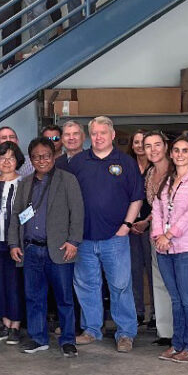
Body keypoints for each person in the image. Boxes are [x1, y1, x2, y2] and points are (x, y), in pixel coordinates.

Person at [66, 116, 143, 352]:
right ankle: (91, 330)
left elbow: (136, 197)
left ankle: (126, 333)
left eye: (103, 133)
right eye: (94, 133)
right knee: (87, 285)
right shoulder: (77, 162)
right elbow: (66, 198)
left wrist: (127, 225)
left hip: (115, 237)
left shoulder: (126, 162)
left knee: (120, 286)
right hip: (85, 238)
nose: (98, 137)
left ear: (112, 135)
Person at [8, 137, 84, 355]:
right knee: (33, 297)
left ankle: (68, 340)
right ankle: (38, 338)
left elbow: (77, 213)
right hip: (31, 250)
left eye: (46, 155)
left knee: (64, 298)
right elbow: (16, 216)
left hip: (60, 249)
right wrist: (14, 243)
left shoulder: (67, 180)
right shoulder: (25, 183)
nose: (41, 160)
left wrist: (74, 241)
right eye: (36, 157)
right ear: (31, 160)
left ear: (54, 156)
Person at [150, 135, 188, 363]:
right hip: (165, 250)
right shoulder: (167, 180)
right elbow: (157, 208)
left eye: (185, 150)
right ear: (171, 154)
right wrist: (158, 236)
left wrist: (169, 234)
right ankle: (177, 344)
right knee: (176, 300)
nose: (180, 154)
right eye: (176, 150)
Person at [0, 140, 25, 344]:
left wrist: (18, 240)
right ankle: (4, 322)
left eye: (11, 158)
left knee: (15, 283)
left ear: (18, 160)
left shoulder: (24, 183)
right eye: (2, 158)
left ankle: (15, 325)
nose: (7, 162)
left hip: (15, 242)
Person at [136, 131, 173, 345]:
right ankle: (165, 331)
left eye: (157, 144)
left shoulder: (177, 169)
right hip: (156, 234)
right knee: (159, 282)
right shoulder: (150, 173)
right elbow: (154, 206)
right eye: (148, 146)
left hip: (178, 236)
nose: (153, 150)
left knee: (176, 284)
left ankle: (181, 331)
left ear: (165, 146)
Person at [126, 129, 152, 324]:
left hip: (152, 226)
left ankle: (157, 314)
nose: (140, 146)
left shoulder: (157, 167)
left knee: (153, 271)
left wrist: (147, 221)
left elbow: (162, 200)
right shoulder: (126, 166)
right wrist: (129, 222)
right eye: (136, 142)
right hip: (130, 226)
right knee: (133, 270)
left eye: (144, 142)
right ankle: (138, 311)